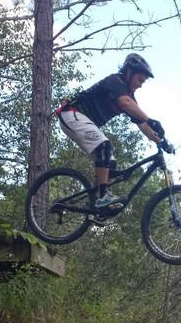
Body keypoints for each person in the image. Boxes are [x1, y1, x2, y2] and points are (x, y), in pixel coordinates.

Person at [55, 53, 165, 208]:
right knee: (104, 147)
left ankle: (95, 201)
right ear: (129, 72)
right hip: (71, 113)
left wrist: (161, 142)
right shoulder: (115, 81)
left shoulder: (130, 97)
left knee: (110, 164)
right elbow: (126, 104)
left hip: (81, 120)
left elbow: (142, 124)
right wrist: (150, 119)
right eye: (140, 80)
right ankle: (102, 196)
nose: (141, 85)